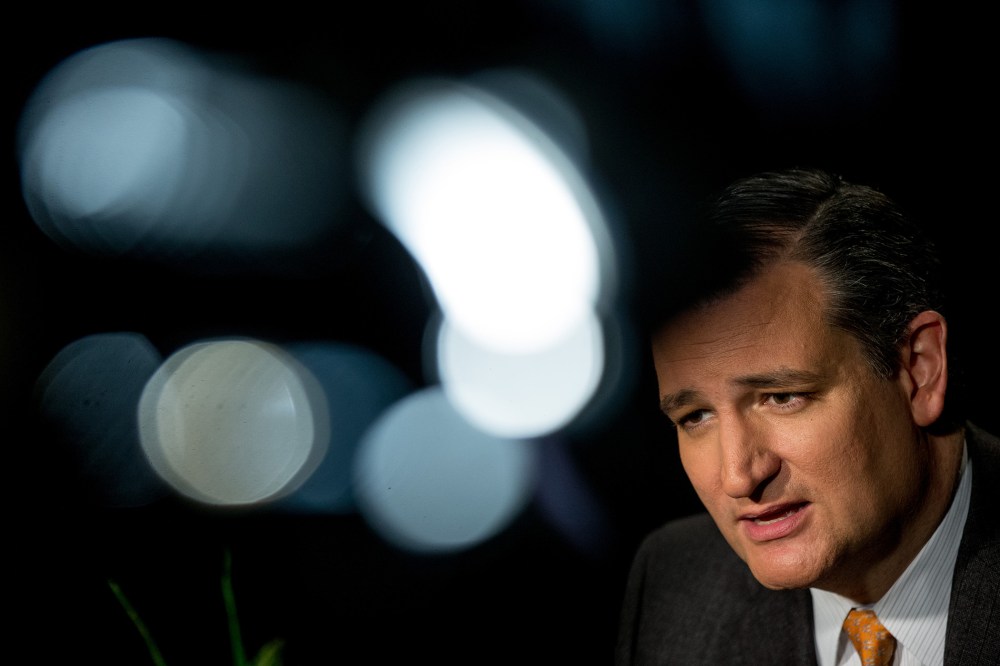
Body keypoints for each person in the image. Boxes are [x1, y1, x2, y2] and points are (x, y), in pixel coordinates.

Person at [615, 167, 999, 665]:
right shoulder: (674, 584)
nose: (739, 476)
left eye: (782, 397)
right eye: (695, 417)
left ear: (919, 369)